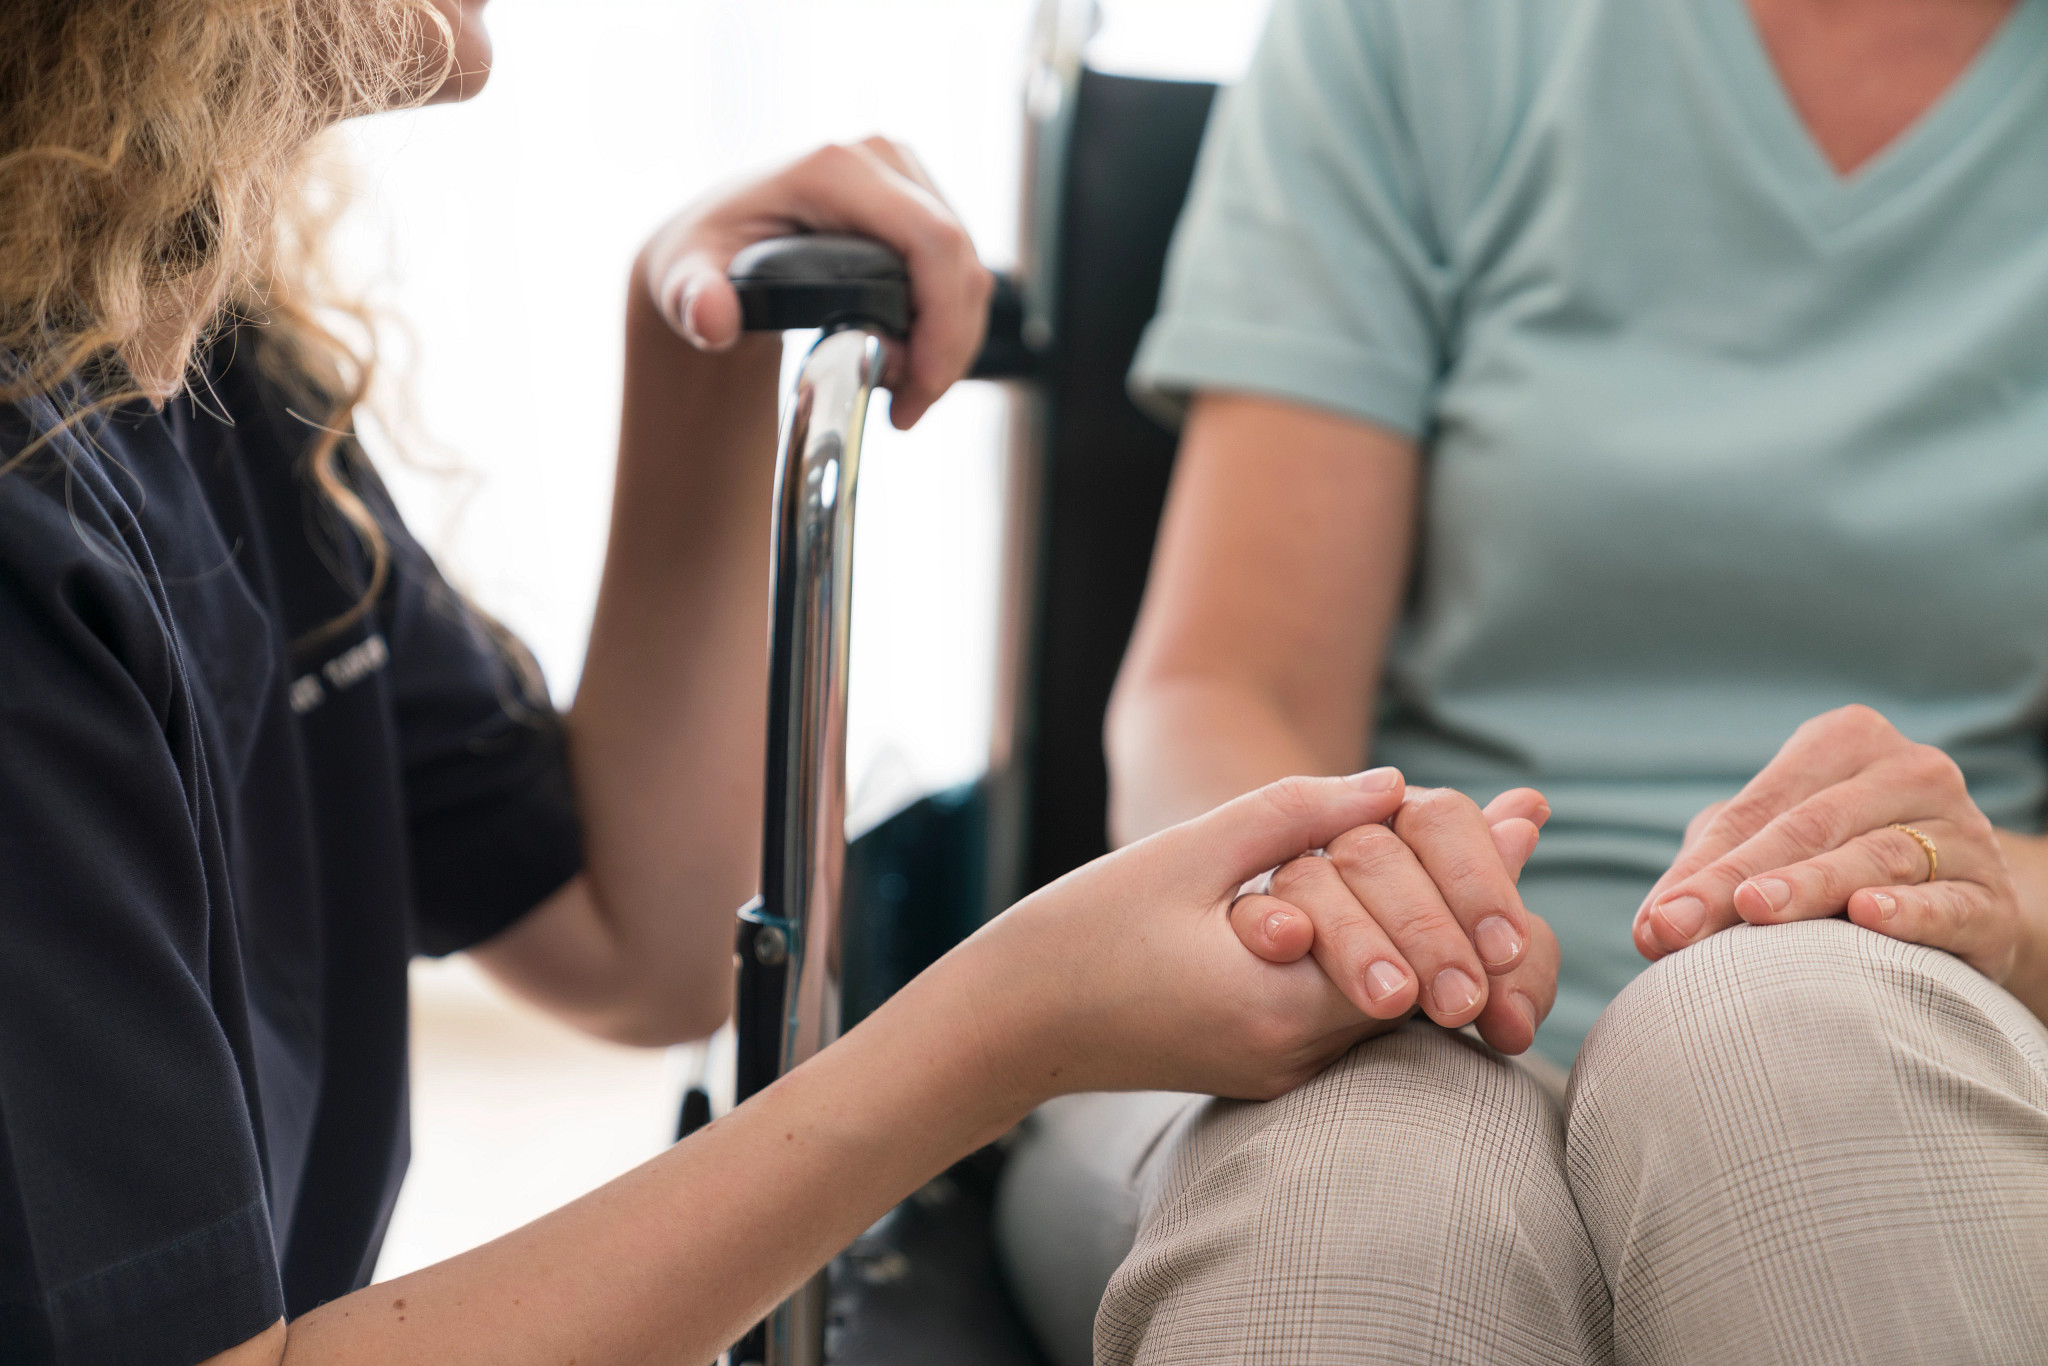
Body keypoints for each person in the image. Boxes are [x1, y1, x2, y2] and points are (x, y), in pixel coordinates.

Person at [0, 3, 1572, 1363]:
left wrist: (702, 350)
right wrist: (1005, 1022)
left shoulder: (198, 378)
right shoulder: (29, 519)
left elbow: (639, 938)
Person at [993, 0, 2048, 1363]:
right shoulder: (1418, 33)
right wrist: (1326, 910)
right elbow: (1229, 688)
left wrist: (1977, 895)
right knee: (1365, 1187)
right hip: (1384, 1008)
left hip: (1933, 1011)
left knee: (1790, 1051)